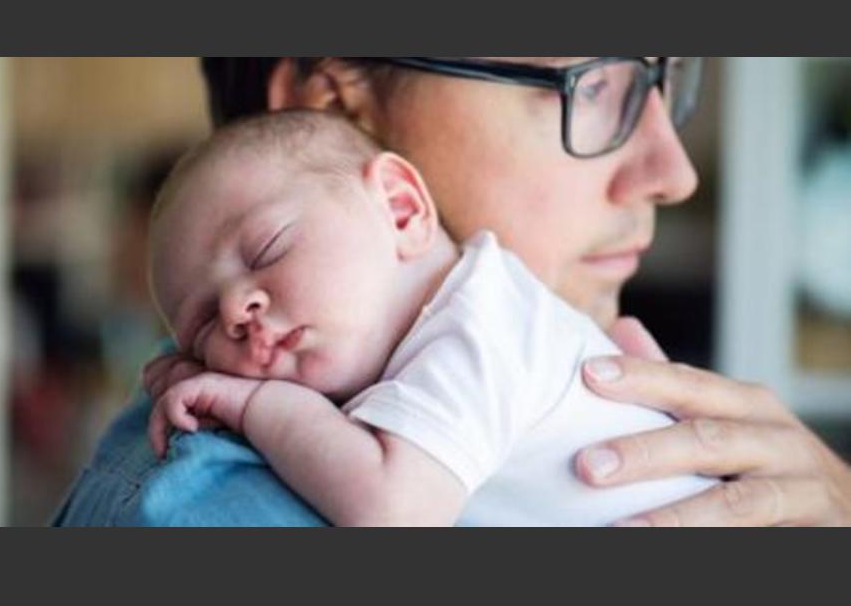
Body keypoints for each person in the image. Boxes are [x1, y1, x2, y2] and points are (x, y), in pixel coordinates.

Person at [53, 57, 851, 527]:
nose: (672, 172)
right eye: (593, 84)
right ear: (335, 106)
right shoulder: (209, 509)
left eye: (662, 81)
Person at [143, 109, 714, 526]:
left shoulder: (478, 326)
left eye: (268, 249)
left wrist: (254, 404)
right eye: (202, 330)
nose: (237, 312)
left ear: (399, 209)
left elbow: (394, 512)